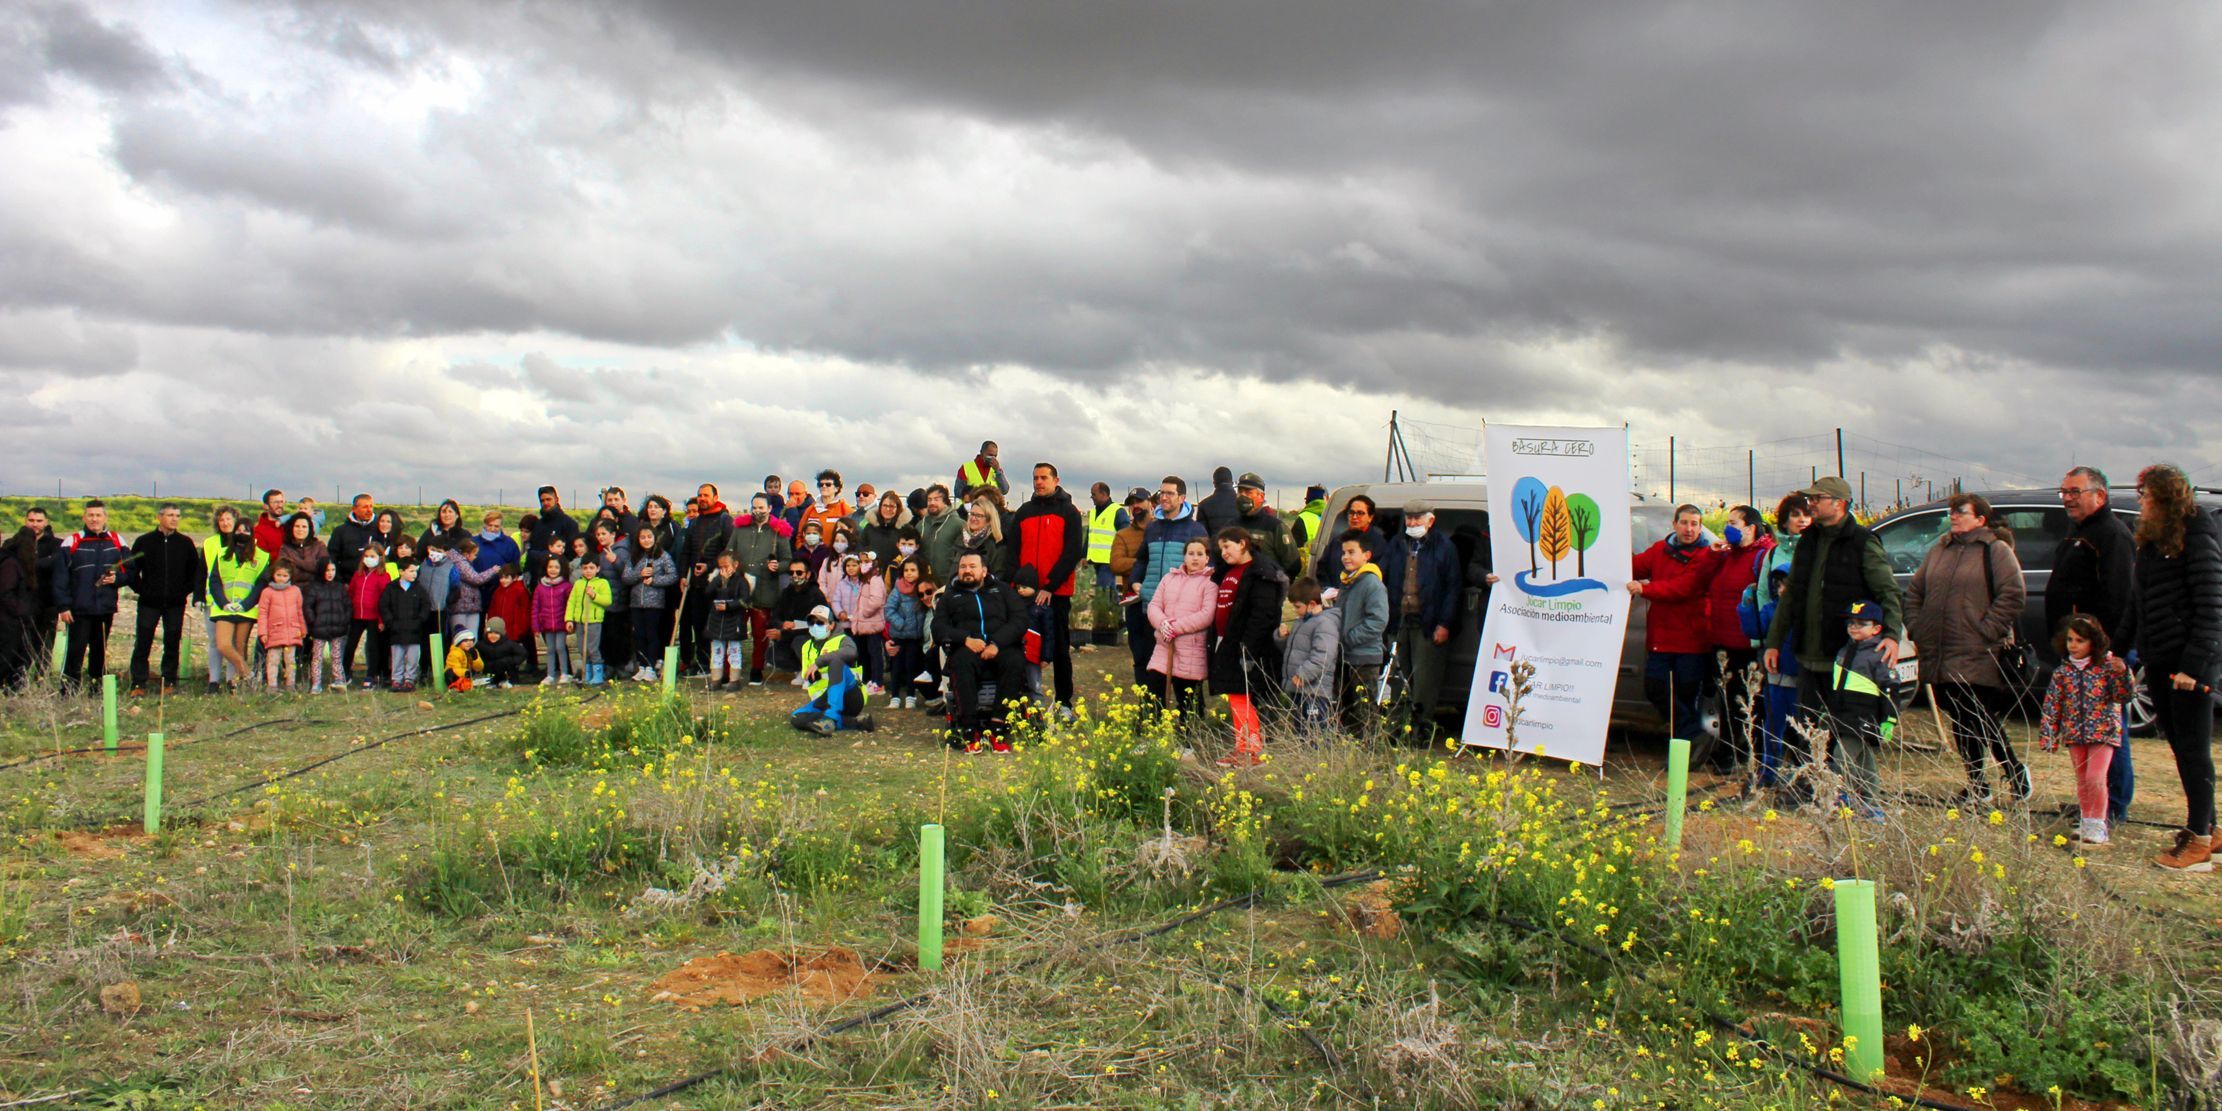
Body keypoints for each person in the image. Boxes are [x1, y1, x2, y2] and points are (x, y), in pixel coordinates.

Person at [1764, 477, 1904, 801]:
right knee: (1807, 725)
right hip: (1808, 654)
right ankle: (1809, 787)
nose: (1811, 504)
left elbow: (1888, 593)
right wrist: (1774, 641)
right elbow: (1792, 595)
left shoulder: (1863, 542)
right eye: (1811, 498)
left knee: (1846, 730)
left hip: (1845, 658)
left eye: (1818, 498)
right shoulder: (1809, 540)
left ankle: (1849, 792)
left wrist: (1893, 636)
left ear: (1839, 503)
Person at [1904, 493, 2029, 804]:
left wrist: (1986, 630)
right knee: (1960, 718)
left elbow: (2012, 594)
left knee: (1979, 714)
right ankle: (1977, 784)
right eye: (1952, 512)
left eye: (1961, 511)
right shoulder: (1940, 549)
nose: (1954, 516)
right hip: (1940, 649)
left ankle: (2014, 772)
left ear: (1980, 519)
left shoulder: (1995, 551)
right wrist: (1918, 627)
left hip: (1977, 649)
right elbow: (1915, 591)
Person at [2127, 463, 2222, 872]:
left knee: (2193, 749)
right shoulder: (2152, 541)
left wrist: (2195, 666)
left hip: (2189, 664)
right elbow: (2140, 603)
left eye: (2145, 494)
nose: (2141, 501)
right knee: (2180, 747)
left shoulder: (2197, 535)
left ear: (2165, 497)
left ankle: (2199, 839)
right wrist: (2120, 650)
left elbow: (2211, 605)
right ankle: (2210, 829)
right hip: (2160, 658)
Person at [2047, 466, 2138, 825]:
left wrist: (2105, 649)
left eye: (2075, 492)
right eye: (2064, 491)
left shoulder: (2112, 536)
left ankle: (2113, 804)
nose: (2067, 498)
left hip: (2100, 652)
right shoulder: (2077, 532)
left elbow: (2119, 596)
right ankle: (2092, 805)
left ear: (2099, 495)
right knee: (2082, 728)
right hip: (2075, 650)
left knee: (2109, 730)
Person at [1628, 504, 1722, 744]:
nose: (1689, 529)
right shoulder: (1661, 549)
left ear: (1700, 527)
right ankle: (1692, 734)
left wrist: (1645, 588)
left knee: (1686, 692)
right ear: (1674, 524)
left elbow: (1684, 588)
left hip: (1691, 638)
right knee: (1656, 687)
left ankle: (1686, 744)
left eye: (1694, 524)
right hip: (1661, 638)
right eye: (1684, 523)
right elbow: (1635, 566)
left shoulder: (1706, 555)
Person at [2038, 614, 2135, 846]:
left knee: (2095, 777)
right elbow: (2052, 705)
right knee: (2082, 779)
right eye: (2070, 639)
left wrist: (2123, 673)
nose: (2074, 645)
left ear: (2093, 642)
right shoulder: (2063, 672)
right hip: (2075, 733)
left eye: (2080, 640)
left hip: (2103, 732)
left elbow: (2124, 695)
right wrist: (2048, 734)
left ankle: (2098, 823)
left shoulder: (2107, 668)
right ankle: (2087, 818)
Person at [1381, 499, 1465, 741]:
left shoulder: (1444, 547)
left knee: (1425, 683)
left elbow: (1453, 588)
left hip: (1429, 624)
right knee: (1398, 678)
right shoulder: (1397, 545)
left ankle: (1420, 732)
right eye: (1409, 518)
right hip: (1400, 622)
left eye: (1418, 518)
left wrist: (1445, 624)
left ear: (1431, 520)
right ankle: (1398, 730)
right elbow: (1382, 574)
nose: (1413, 522)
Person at [1744, 494, 1810, 787]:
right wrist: (1763, 637)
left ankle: (1806, 770)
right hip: (1776, 639)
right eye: (1796, 515)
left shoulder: (1816, 548)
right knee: (1773, 710)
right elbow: (1762, 593)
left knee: (1804, 711)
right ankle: (1770, 769)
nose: (1803, 520)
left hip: (1805, 639)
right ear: (1784, 520)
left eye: (1807, 515)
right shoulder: (1773, 554)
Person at [1210, 527, 1287, 766]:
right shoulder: (1229, 570)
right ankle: (1243, 746)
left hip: (1248, 647)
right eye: (1220, 548)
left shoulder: (1260, 573)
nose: (1223, 553)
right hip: (1228, 641)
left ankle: (1250, 750)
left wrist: (1248, 649)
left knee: (1242, 695)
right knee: (1236, 696)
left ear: (1242, 543)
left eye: (1227, 547)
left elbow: (1262, 616)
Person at [936, 550, 1027, 751]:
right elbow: (938, 628)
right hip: (968, 647)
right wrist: (965, 639)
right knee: (961, 663)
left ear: (984, 571)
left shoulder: (1002, 591)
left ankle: (998, 725)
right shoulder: (950, 596)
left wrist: (996, 643)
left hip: (1000, 646)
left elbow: (1020, 619)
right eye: (963, 567)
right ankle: (970, 728)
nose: (967, 571)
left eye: (972, 567)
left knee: (1015, 661)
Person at [1705, 505, 1774, 772]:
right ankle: (1728, 752)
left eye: (1734, 523)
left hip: (1747, 644)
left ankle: (1747, 753)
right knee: (1726, 701)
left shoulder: (1762, 557)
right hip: (1722, 640)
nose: (1728, 527)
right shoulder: (1727, 555)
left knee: (1747, 702)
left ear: (1750, 528)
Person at [1013, 463, 1085, 707]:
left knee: (1060, 650)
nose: (1038, 482)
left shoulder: (1069, 512)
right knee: (1023, 648)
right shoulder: (1023, 512)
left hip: (1057, 593)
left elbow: (1073, 552)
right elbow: (1013, 551)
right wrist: (1016, 584)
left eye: (1044, 477)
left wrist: (1050, 586)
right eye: (1035, 478)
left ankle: (1064, 703)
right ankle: (1024, 700)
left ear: (1056, 480)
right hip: (1024, 594)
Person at [1131, 476, 1208, 695]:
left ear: (1182, 498)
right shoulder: (1153, 529)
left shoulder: (1195, 530)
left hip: (1181, 612)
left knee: (1185, 670)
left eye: (1170, 493)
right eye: (1161, 493)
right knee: (1151, 664)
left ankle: (1190, 717)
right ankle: (1150, 714)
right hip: (1152, 606)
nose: (1163, 497)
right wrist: (1136, 582)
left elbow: (1204, 567)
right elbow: (1142, 559)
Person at [50, 500, 132, 690]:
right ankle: (69, 691)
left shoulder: (118, 541)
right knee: (75, 651)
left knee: (99, 652)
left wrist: (117, 578)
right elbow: (60, 576)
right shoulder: (72, 541)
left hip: (105, 608)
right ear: (84, 517)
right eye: (90, 515)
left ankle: (96, 688)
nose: (94, 519)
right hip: (79, 609)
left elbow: (131, 571)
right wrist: (63, 606)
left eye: (98, 515)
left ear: (105, 517)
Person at [126, 503, 204, 696]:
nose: (174, 519)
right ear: (159, 517)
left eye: (177, 515)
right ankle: (138, 683)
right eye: (170, 515)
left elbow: (194, 572)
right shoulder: (144, 542)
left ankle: (169, 681)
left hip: (175, 603)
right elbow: (132, 570)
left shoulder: (185, 543)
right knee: (143, 641)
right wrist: (142, 590)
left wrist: (183, 591)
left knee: (172, 640)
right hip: (148, 603)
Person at [1829, 600, 1895, 818]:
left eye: (1861, 623)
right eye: (1851, 622)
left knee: (1842, 756)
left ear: (1876, 628)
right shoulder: (1843, 651)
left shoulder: (1879, 654)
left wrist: (1889, 720)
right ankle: (1871, 804)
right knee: (1864, 759)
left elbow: (1890, 690)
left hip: (1863, 717)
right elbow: (1838, 686)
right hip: (1843, 716)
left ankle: (1847, 795)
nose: (1854, 627)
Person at [1146, 537, 1217, 719]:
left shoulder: (1210, 583)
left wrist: (1176, 627)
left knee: (1185, 699)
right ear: (1184, 556)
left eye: (1200, 554)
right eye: (1190, 553)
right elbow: (1154, 605)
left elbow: (1207, 614)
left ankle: (1185, 740)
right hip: (1164, 646)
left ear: (1207, 558)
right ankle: (1151, 735)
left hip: (1190, 649)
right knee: (1154, 692)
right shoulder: (1169, 578)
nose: (1195, 558)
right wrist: (1163, 624)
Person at [730, 493, 791, 685]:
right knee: (733, 630)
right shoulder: (740, 529)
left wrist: (778, 567)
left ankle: (757, 668)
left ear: (769, 509)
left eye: (761, 507)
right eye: (754, 507)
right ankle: (730, 669)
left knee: (759, 632)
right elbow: (729, 551)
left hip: (765, 588)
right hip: (739, 588)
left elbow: (788, 560)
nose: (757, 511)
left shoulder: (778, 531)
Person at [1335, 529, 1391, 733]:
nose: (1346, 557)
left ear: (1366, 555)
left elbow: (1377, 621)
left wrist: (1348, 638)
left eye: (1351, 552)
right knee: (1347, 710)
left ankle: (1371, 753)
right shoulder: (1348, 582)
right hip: (1346, 656)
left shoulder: (1371, 584)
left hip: (1365, 657)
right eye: (1343, 552)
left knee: (1365, 711)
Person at [792, 604, 876, 735]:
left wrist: (820, 662)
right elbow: (806, 675)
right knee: (796, 717)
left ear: (831, 625)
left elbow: (851, 652)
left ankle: (831, 716)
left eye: (820, 622)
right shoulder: (806, 646)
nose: (815, 626)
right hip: (823, 697)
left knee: (836, 662)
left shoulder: (843, 639)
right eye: (811, 622)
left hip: (850, 695)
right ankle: (854, 723)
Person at [206, 524, 270, 692]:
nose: (242, 533)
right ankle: (248, 675)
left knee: (240, 646)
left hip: (246, 608)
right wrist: (223, 602)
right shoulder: (222, 554)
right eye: (239, 530)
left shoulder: (261, 556)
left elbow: (261, 583)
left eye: (246, 530)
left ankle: (235, 684)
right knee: (223, 644)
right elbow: (214, 580)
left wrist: (245, 604)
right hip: (224, 608)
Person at [678, 482, 733, 678]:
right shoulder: (694, 522)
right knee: (698, 624)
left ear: (715, 497)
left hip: (717, 583)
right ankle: (702, 663)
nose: (702, 499)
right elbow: (686, 552)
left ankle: (717, 665)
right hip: (695, 584)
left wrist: (710, 566)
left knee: (715, 626)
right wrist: (684, 575)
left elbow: (728, 550)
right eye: (699, 495)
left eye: (706, 495)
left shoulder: (725, 520)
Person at [1279, 577, 1341, 729]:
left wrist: (1304, 674)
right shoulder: (1302, 621)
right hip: (1299, 688)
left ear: (1312, 604)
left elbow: (1323, 655)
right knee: (1301, 728)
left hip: (1315, 690)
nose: (1295, 610)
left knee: (1315, 731)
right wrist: (1283, 638)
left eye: (1298, 607)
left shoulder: (1324, 624)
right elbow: (1296, 649)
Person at [1108, 488, 1154, 684]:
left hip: (1160, 600)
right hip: (1134, 600)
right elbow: (1116, 564)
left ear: (1150, 504)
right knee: (1140, 654)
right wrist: (1145, 562)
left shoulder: (1160, 529)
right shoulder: (1123, 535)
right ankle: (1146, 703)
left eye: (1139, 501)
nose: (1135, 506)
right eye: (1131, 503)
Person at [624, 525, 679, 683]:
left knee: (652, 635)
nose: (646, 540)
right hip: (636, 603)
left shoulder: (662, 556)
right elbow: (626, 577)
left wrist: (654, 580)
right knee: (639, 635)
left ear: (655, 539)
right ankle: (641, 666)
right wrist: (639, 574)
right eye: (643, 537)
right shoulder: (634, 556)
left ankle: (651, 667)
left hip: (654, 603)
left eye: (649, 537)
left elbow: (672, 576)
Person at [1232, 472, 1301, 577]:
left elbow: (1293, 565)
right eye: (1240, 491)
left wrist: (1275, 585)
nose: (1242, 496)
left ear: (1261, 496)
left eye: (1248, 492)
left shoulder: (1275, 527)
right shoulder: (1230, 527)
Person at [379, 561, 432, 692]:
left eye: (415, 571)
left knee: (413, 656)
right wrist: (390, 622)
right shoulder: (391, 588)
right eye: (411, 571)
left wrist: (420, 620)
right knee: (397, 655)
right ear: (401, 571)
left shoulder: (419, 588)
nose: (414, 574)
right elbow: (384, 605)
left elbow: (426, 605)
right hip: (396, 629)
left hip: (414, 629)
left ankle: (410, 679)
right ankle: (396, 679)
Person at [773, 556, 828, 680]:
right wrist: (781, 625)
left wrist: (786, 632)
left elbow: (820, 624)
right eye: (791, 572)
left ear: (808, 574)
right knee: (772, 654)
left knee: (799, 642)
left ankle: (811, 670)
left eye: (799, 572)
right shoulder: (786, 593)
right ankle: (798, 669)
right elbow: (775, 616)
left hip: (812, 637)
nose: (795, 576)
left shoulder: (816, 594)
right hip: (789, 635)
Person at [885, 558, 930, 709]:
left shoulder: (921, 588)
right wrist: (901, 624)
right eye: (906, 570)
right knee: (896, 668)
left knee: (912, 667)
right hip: (899, 636)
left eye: (913, 570)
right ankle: (895, 697)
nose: (909, 574)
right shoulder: (898, 589)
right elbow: (888, 610)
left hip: (915, 637)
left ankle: (911, 695)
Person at [0, 525, 41, 689]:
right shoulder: (11, 564)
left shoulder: (12, 562)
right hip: (9, 621)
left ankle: (12, 688)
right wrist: (22, 611)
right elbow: (6, 592)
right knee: (8, 657)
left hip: (14, 620)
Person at [302, 557, 351, 693]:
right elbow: (308, 607)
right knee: (317, 657)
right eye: (327, 570)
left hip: (337, 628)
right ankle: (316, 683)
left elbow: (348, 606)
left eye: (333, 570)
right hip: (319, 629)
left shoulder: (340, 588)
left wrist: (344, 621)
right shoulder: (313, 588)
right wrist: (313, 621)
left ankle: (339, 680)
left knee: (336, 656)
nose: (330, 573)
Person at [704, 550, 750, 691]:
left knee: (734, 650)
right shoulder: (717, 579)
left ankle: (734, 680)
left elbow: (744, 600)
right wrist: (720, 581)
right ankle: (716, 679)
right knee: (717, 650)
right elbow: (707, 593)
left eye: (726, 566)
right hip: (717, 620)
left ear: (735, 565)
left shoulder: (741, 581)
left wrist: (729, 605)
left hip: (734, 620)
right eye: (721, 567)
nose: (723, 570)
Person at [347, 542, 390, 690]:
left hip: (373, 617)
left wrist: (381, 619)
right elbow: (351, 592)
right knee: (350, 645)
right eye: (366, 556)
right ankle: (345, 673)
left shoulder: (383, 576)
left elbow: (385, 599)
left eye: (372, 556)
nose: (369, 559)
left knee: (373, 648)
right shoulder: (358, 574)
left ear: (380, 557)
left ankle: (371, 675)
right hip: (357, 616)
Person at [22, 507, 61, 675]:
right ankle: (19, 676)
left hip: (48, 601)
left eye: (39, 521)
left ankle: (41, 676)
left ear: (46, 522)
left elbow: (55, 564)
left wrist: (29, 565)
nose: (35, 524)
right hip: (23, 601)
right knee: (22, 640)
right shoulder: (15, 543)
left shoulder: (57, 544)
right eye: (31, 520)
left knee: (45, 642)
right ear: (25, 521)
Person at [1315, 494, 1384, 586]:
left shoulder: (1378, 543)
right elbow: (1322, 568)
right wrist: (1328, 589)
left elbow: (1379, 574)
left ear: (1370, 517)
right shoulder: (1337, 541)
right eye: (1351, 513)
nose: (1355, 517)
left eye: (1360, 513)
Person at [258, 562, 306, 691]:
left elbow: (299, 611)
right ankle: (272, 684)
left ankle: (290, 684)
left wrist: (302, 628)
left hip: (292, 631)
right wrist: (263, 632)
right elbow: (262, 613)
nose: (281, 578)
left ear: (290, 576)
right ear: (273, 575)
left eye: (285, 575)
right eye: (278, 575)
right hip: (274, 631)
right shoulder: (267, 592)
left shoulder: (295, 591)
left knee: (290, 660)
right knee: (273, 659)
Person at [566, 553, 612, 686]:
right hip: (580, 622)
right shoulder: (578, 584)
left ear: (597, 569)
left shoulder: (602, 583)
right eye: (585, 568)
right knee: (582, 649)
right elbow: (571, 602)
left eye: (591, 568)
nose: (588, 571)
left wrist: (594, 595)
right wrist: (569, 619)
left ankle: (598, 675)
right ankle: (587, 674)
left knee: (592, 648)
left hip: (594, 621)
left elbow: (607, 600)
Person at [952, 498, 1012, 580]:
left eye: (979, 516)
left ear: (989, 519)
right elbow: (952, 572)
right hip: (958, 590)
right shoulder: (960, 540)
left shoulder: (996, 545)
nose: (973, 518)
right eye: (972, 514)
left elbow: (998, 577)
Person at [916, 484, 964, 583]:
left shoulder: (958, 524)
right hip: (925, 586)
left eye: (936, 499)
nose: (932, 503)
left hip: (949, 584)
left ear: (945, 501)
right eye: (929, 499)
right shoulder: (920, 526)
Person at [328, 494, 380, 583]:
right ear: (354, 509)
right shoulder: (340, 531)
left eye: (371, 506)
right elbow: (332, 558)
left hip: (375, 583)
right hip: (348, 582)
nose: (369, 510)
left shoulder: (379, 529)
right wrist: (340, 582)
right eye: (365, 507)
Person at [525, 486, 581, 561]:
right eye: (542, 501)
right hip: (537, 570)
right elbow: (531, 552)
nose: (545, 503)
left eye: (548, 499)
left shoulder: (569, 524)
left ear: (556, 500)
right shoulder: (538, 525)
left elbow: (572, 553)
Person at [859, 491, 912, 567]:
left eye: (892, 506)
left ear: (898, 508)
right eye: (884, 505)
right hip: (874, 573)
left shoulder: (906, 529)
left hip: (898, 572)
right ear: (880, 507)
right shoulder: (870, 527)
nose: (887, 509)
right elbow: (861, 547)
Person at [801, 471, 853, 539]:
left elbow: (852, 535)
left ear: (836, 488)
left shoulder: (846, 510)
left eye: (828, 484)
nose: (824, 486)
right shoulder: (810, 510)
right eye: (821, 484)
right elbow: (800, 534)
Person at [480, 617, 527, 688]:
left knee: (508, 670)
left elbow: (523, 653)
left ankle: (508, 682)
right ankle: (491, 682)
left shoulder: (509, 644)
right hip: (490, 671)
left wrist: (511, 661)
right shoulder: (481, 645)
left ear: (501, 634)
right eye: (490, 633)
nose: (493, 636)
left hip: (507, 671)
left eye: (496, 633)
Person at [1197, 466, 1241, 536]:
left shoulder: (1204, 505)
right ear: (1232, 483)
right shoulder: (1242, 502)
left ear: (1214, 483)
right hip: (1239, 545)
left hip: (1214, 545)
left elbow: (1201, 534)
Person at [252, 489, 289, 557]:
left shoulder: (289, 526)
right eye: (276, 502)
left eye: (281, 502)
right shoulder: (258, 531)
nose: (280, 505)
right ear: (266, 506)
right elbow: (262, 558)